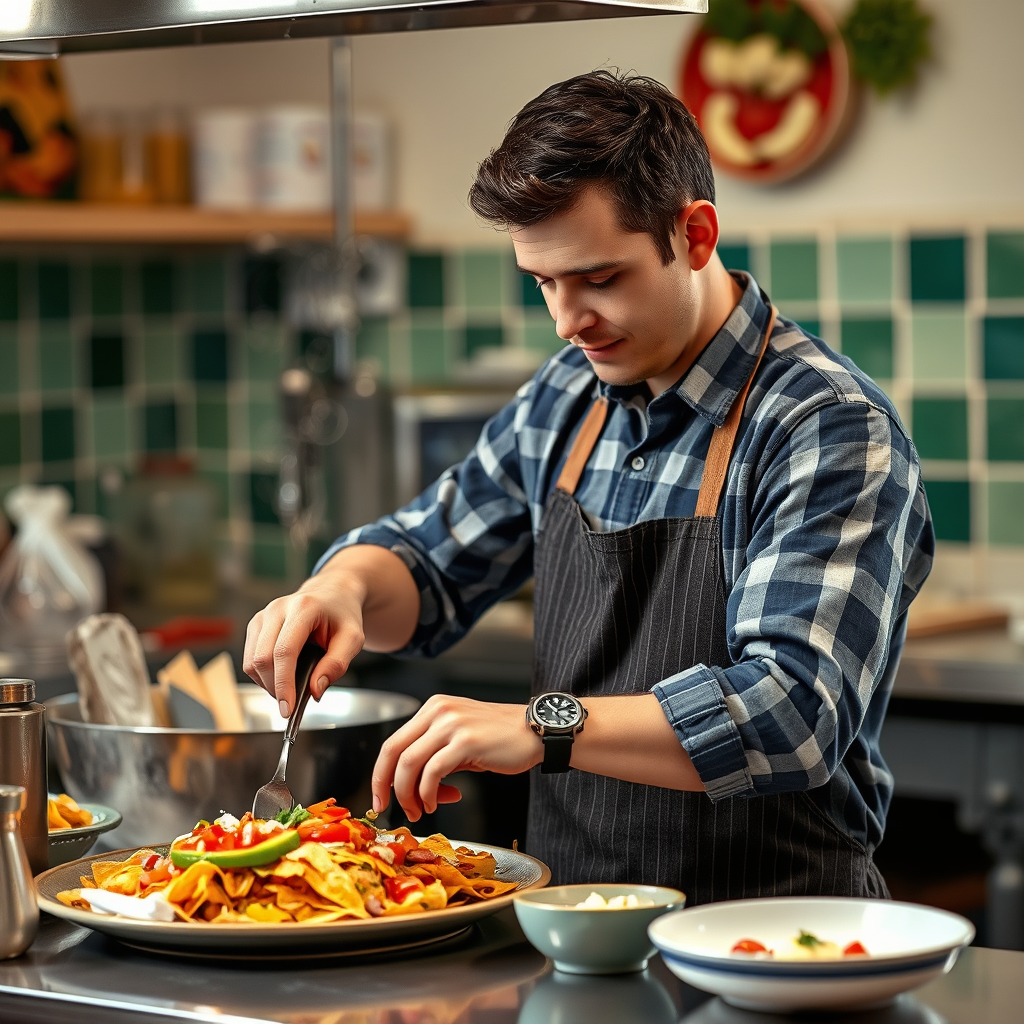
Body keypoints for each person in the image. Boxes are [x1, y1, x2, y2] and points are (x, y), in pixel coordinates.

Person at [244, 70, 933, 903]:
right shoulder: (568, 395)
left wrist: (545, 727)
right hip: (574, 930)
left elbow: (792, 714)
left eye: (599, 278)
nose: (569, 320)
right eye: (544, 283)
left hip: (773, 941)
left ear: (696, 234)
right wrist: (342, 587)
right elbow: (428, 564)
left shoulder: (823, 424)